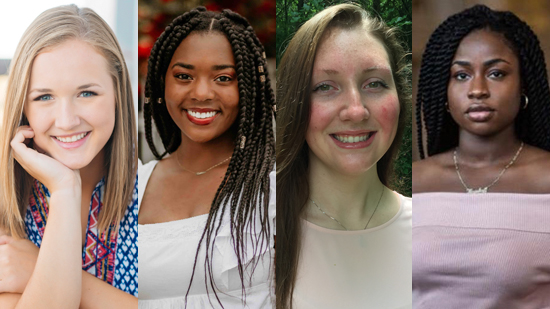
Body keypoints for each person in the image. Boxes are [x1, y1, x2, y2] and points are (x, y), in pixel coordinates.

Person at [0, 5, 138, 308]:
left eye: (86, 93)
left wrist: (37, 268)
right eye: (44, 97)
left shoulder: (153, 190)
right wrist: (65, 188)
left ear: (117, 93)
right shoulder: (5, 203)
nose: (66, 121)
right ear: (23, 106)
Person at [413, 4, 550, 308]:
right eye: (461, 75)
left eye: (496, 73)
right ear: (443, 91)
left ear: (524, 84)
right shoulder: (412, 182)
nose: (477, 89)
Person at [138, 7, 276, 308]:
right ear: (163, 84)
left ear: (249, 89)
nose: (201, 93)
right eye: (184, 76)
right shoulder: (132, 186)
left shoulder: (277, 188)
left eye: (223, 78)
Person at [276, 3, 412, 309]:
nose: (356, 110)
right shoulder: (259, 236)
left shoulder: (430, 231)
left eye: (374, 83)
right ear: (295, 105)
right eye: (325, 87)